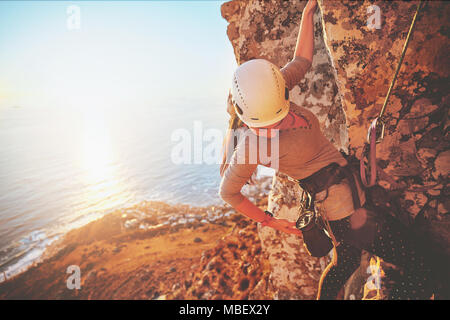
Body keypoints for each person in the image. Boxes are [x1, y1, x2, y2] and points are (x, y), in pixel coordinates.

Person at [219, 0, 432, 300]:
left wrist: (309, 12)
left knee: (344, 263)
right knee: (429, 269)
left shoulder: (273, 90)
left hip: (344, 200)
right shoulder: (252, 146)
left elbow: (302, 60)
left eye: (278, 117)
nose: (275, 126)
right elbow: (228, 193)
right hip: (347, 214)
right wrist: (271, 220)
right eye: (265, 125)